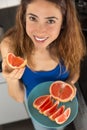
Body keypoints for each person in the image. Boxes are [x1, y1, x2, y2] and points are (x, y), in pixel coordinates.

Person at [0, 0, 86, 129]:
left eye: (50, 21)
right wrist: (11, 79)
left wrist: (69, 83)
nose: (40, 31)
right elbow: (18, 98)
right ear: (24, 17)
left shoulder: (70, 41)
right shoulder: (10, 45)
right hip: (36, 107)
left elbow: (75, 71)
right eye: (33, 18)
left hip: (63, 103)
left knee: (59, 127)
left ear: (63, 22)